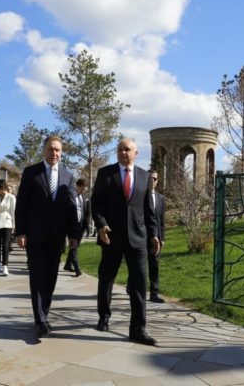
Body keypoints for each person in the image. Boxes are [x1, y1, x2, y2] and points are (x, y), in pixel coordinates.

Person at [91, 138, 159, 346]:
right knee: (106, 280)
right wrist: (101, 225)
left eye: (127, 149)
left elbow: (148, 209)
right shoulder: (105, 174)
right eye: (120, 149)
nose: (123, 152)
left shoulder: (144, 176)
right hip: (111, 237)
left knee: (139, 284)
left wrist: (154, 234)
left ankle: (138, 329)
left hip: (138, 239)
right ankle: (104, 316)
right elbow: (96, 204)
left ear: (135, 153)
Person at [14, 135, 79, 338]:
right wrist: (21, 231)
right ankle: (40, 319)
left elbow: (71, 208)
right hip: (35, 235)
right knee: (37, 276)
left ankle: (45, 313)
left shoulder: (68, 177)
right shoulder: (31, 172)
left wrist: (74, 234)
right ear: (44, 150)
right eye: (51, 149)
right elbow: (22, 204)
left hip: (57, 237)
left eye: (58, 150)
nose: (54, 153)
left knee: (51, 277)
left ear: (61, 153)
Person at [63, 178, 90, 277]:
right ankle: (77, 269)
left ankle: (67, 265)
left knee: (75, 246)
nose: (83, 191)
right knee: (73, 247)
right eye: (82, 189)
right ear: (77, 186)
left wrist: (87, 227)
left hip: (81, 226)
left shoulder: (84, 197)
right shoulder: (69, 195)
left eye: (85, 189)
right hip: (71, 226)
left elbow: (86, 212)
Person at [146, 169, 166, 303]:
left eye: (155, 179)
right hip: (142, 236)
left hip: (157, 239)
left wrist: (162, 238)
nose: (152, 181)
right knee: (138, 264)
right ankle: (132, 286)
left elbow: (161, 220)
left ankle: (154, 293)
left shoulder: (160, 198)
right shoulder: (140, 195)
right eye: (150, 178)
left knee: (154, 265)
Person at [0, 178, 15, 276]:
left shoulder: (11, 197)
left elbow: (13, 211)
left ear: (2, 188)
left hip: (7, 223)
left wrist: (14, 226)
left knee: (5, 245)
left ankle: (5, 266)